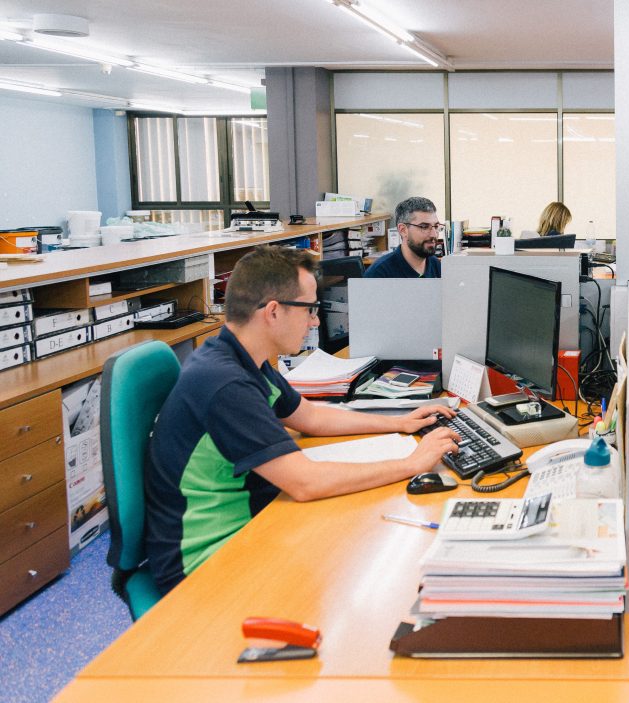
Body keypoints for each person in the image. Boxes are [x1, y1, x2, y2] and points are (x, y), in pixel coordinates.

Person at [145, 245, 460, 594]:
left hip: (248, 525)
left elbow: (310, 418)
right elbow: (305, 483)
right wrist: (411, 464)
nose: (315, 321)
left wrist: (399, 422)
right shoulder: (226, 383)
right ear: (273, 312)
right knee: (359, 563)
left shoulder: (244, 357)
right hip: (204, 563)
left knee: (355, 540)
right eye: (309, 309)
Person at [365, 196, 444, 278]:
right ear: (403, 230)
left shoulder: (436, 265)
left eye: (436, 226)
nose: (434, 234)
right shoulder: (378, 274)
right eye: (424, 227)